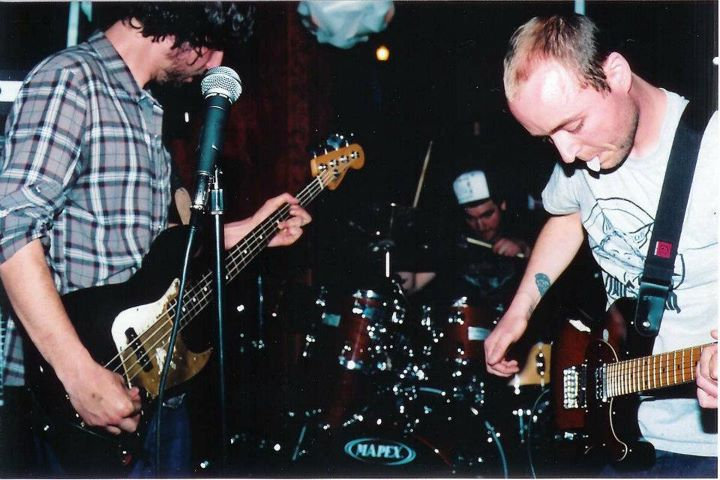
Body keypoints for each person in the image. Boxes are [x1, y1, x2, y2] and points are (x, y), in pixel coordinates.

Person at [0, 3, 311, 476]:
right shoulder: (72, 81)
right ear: (177, 24)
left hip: (154, 391)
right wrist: (79, 373)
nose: (217, 63)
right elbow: (10, 225)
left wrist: (248, 231)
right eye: (212, 44)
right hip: (80, 400)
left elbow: (153, 247)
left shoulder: (144, 107)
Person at [484, 13, 717, 476]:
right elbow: (567, 214)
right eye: (547, 137)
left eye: (572, 125)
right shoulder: (583, 155)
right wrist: (520, 309)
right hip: (624, 429)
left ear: (616, 74)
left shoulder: (712, 152)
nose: (566, 154)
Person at [399, 168, 535, 306]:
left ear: (502, 205)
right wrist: (404, 240)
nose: (480, 225)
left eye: (487, 215)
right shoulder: (455, 244)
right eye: (471, 218)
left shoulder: (524, 231)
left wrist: (523, 248)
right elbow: (410, 286)